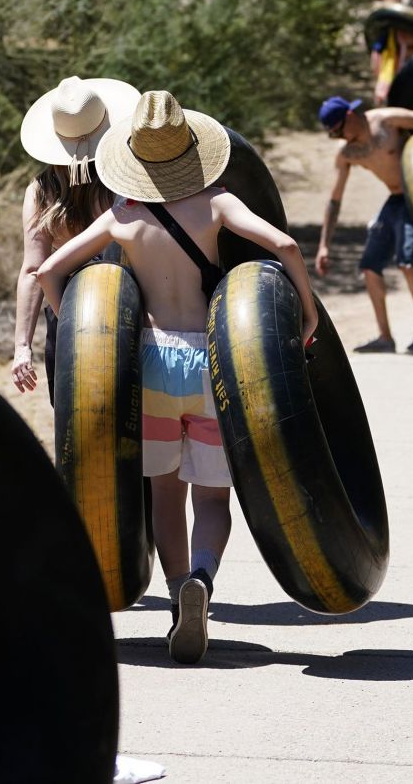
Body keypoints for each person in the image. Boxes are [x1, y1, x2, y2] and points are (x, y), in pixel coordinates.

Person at [37, 91, 317, 666]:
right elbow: (285, 244)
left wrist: (76, 331)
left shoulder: (123, 215)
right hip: (212, 361)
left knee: (166, 493)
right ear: (191, 149)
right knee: (214, 498)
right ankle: (203, 582)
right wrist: (307, 312)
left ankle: (173, 598)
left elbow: (47, 269)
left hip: (150, 364)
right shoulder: (215, 203)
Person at [11, 75, 139, 400]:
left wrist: (22, 347)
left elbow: (32, 270)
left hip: (68, 311)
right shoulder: (125, 181)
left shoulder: (40, 191)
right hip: (130, 311)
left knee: (75, 428)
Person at [314, 96, 413, 354]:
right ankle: (385, 337)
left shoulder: (387, 120)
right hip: (394, 200)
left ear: (350, 116)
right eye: (333, 135)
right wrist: (324, 245)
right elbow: (334, 199)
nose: (340, 138)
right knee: (369, 267)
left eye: (339, 131)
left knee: (407, 262)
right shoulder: (348, 153)